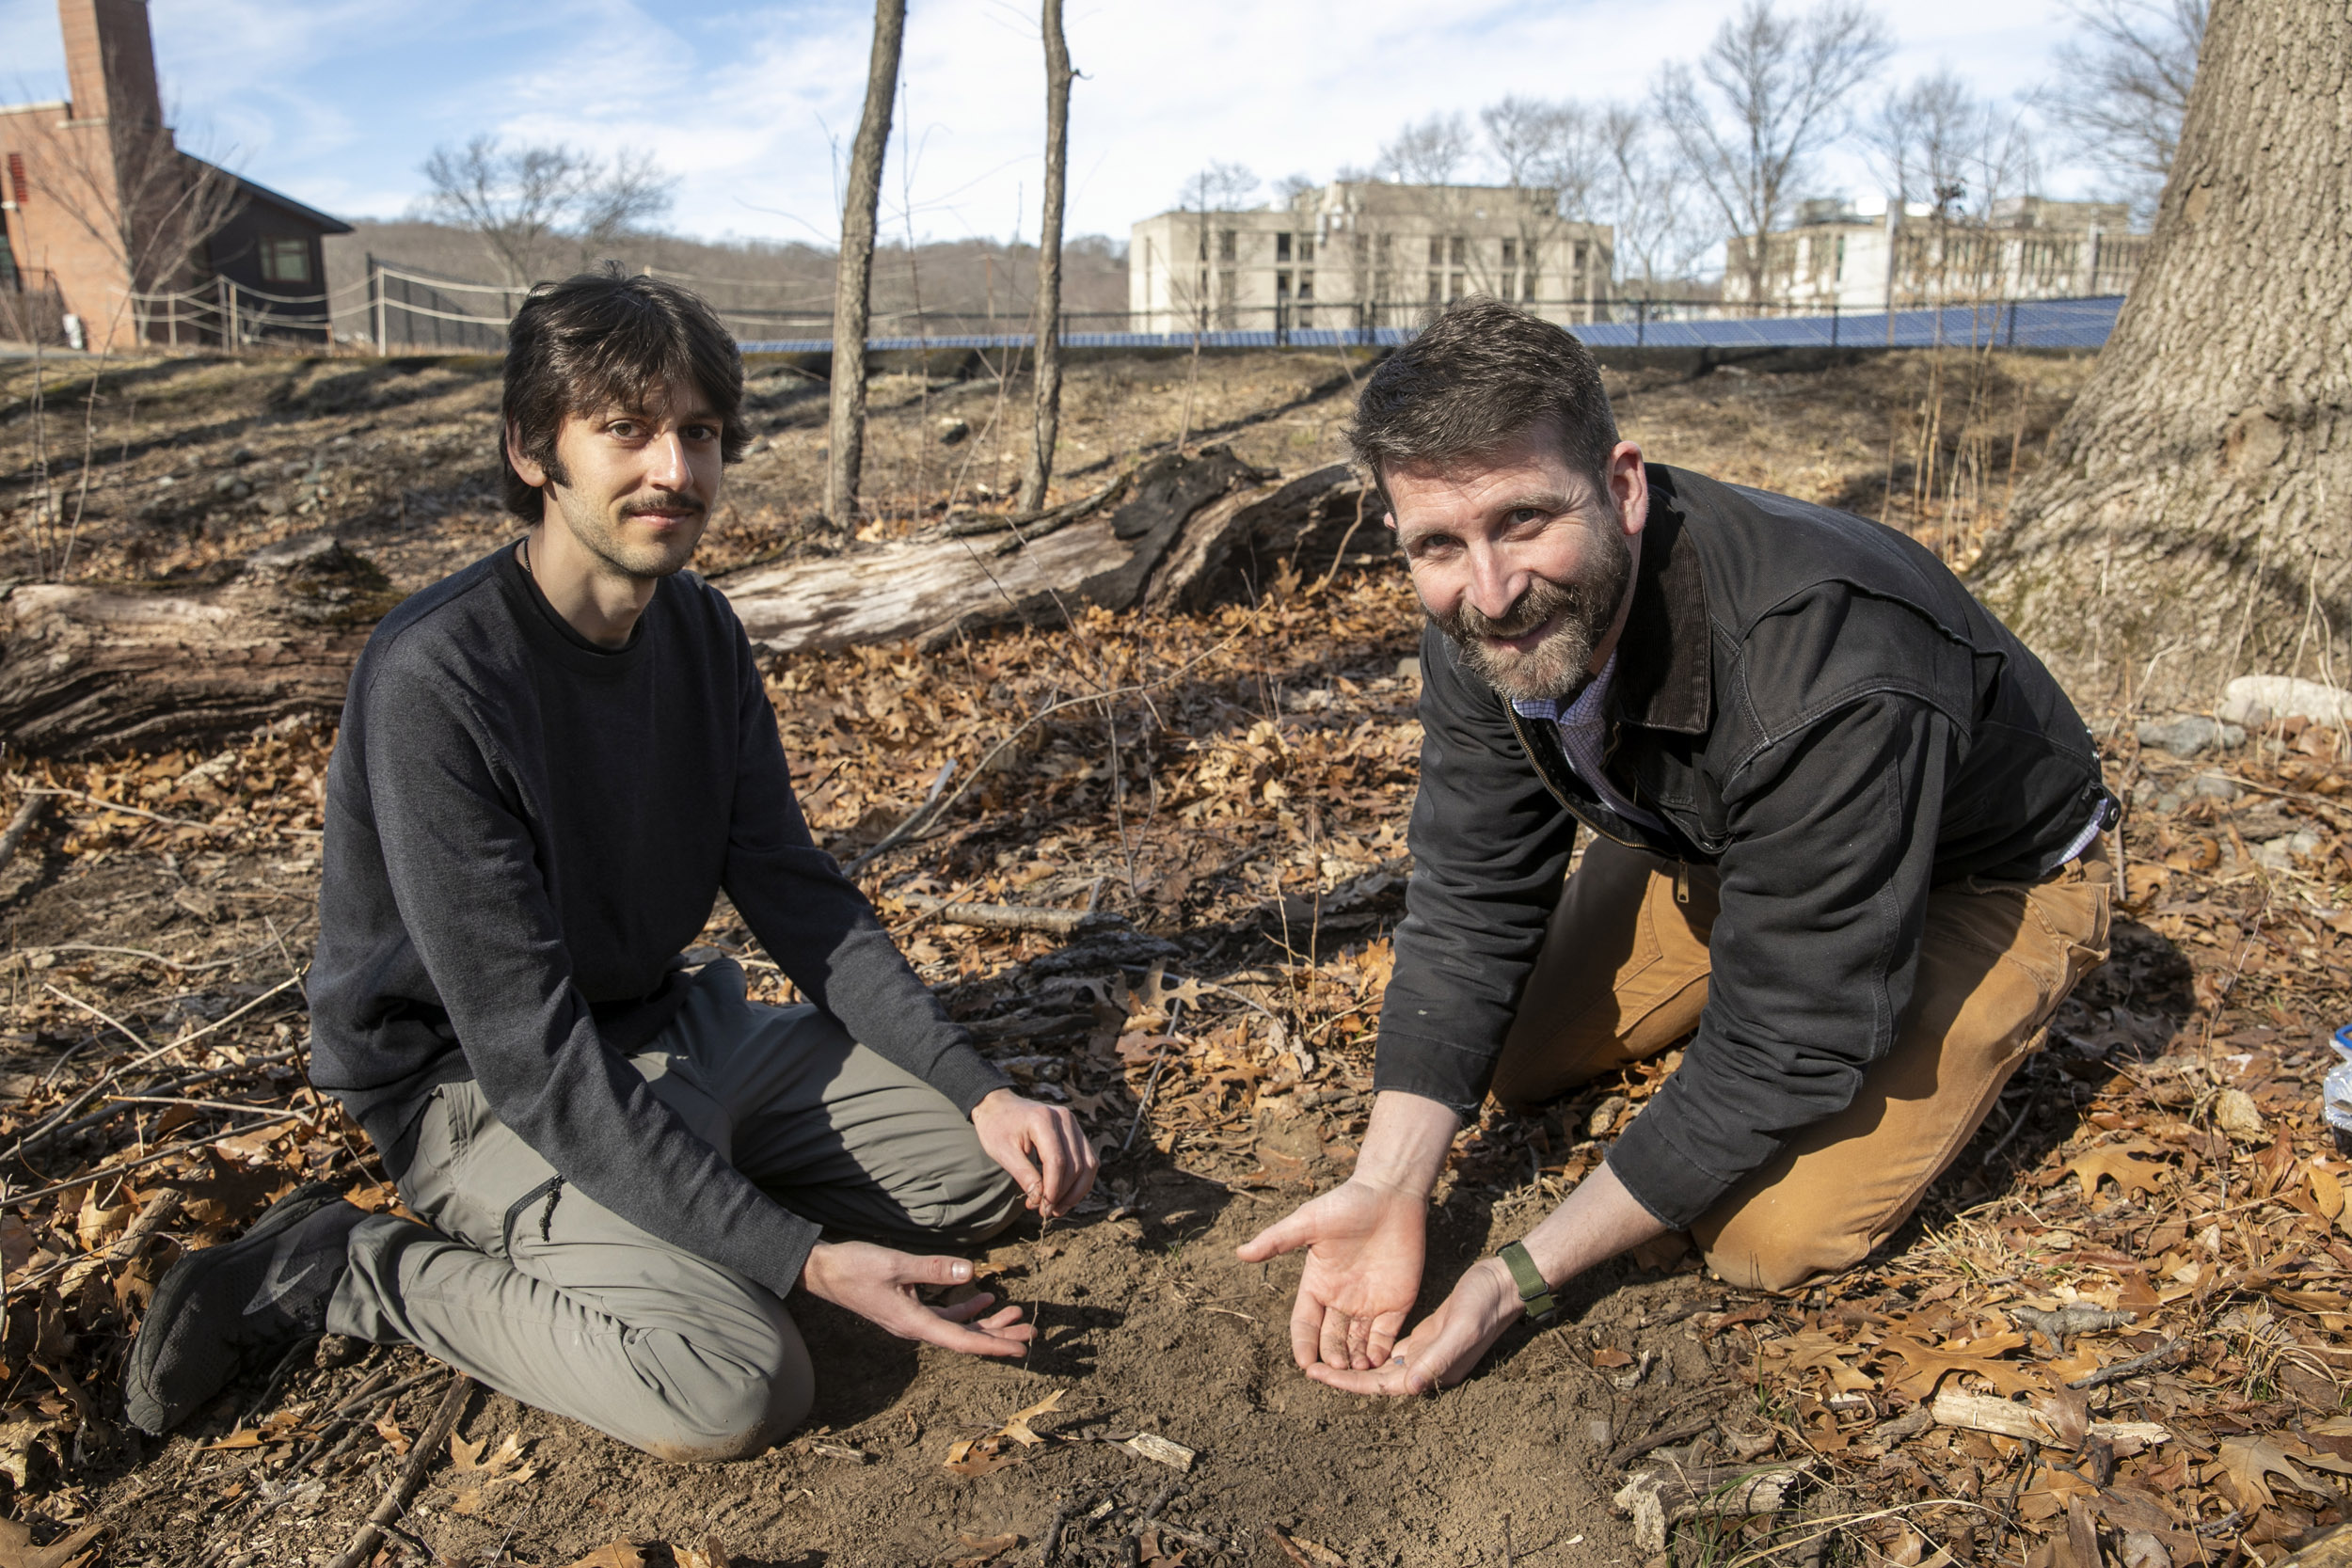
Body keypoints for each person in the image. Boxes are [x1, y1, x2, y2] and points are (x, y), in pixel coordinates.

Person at [125, 268, 1096, 1459]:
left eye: (698, 433)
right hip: (474, 1089)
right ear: (534, 448)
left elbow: (797, 892)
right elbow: (528, 1052)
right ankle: (339, 1263)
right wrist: (801, 1257)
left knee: (988, 1177)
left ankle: (685, 1208)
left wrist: (980, 1085)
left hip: (673, 1027)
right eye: (624, 429)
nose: (674, 472)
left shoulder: (699, 630)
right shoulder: (438, 676)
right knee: (732, 1380)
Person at [1240, 299, 2114, 1395]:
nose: (1492, 590)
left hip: (1977, 873)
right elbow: (1470, 894)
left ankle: (1954, 970)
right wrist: (1388, 1181)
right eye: (1438, 543)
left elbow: (1792, 1029)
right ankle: (1741, 929)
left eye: (1521, 518)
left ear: (1621, 485)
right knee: (1498, 1060)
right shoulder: (1477, 612)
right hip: (1726, 836)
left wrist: (1515, 1275)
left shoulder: (1828, 663)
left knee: (1763, 1236)